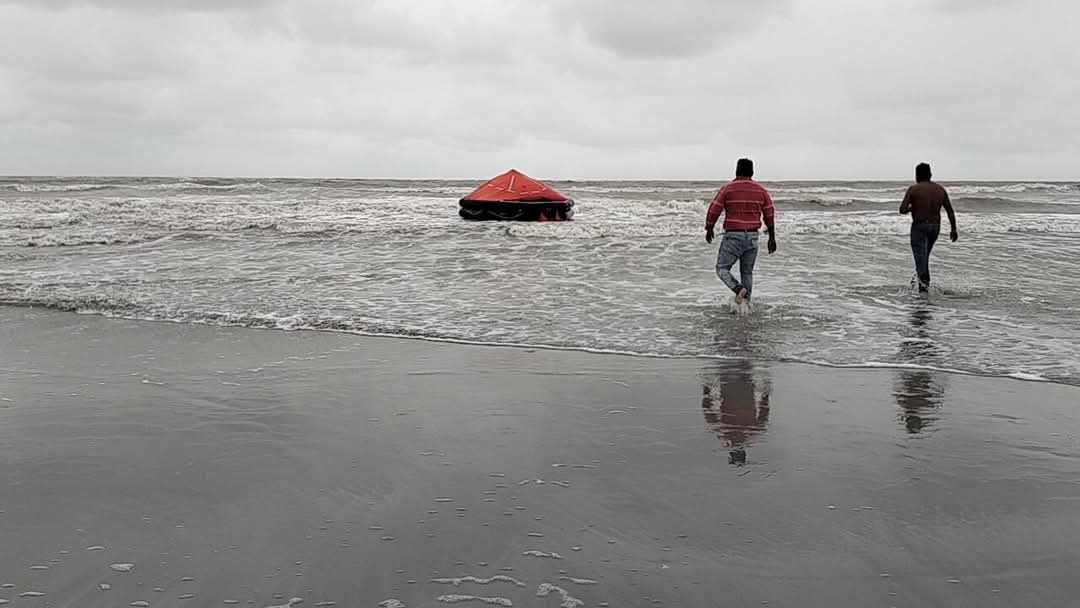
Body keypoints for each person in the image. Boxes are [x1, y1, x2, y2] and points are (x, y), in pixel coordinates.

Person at [704, 158, 777, 303]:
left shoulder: (728, 189)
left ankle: (738, 289)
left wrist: (709, 228)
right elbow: (769, 213)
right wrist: (772, 237)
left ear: (736, 170)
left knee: (722, 268)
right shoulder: (761, 191)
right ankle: (746, 306)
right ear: (752, 172)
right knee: (747, 272)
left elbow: (714, 209)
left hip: (733, 236)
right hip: (753, 237)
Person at [900, 162, 958, 292]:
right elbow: (950, 210)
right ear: (930, 174)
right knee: (924, 257)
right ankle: (917, 282)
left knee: (921, 258)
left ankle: (923, 293)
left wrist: (913, 208)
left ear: (917, 175)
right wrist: (953, 229)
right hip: (935, 227)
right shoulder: (940, 189)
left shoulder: (914, 189)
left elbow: (902, 210)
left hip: (919, 227)